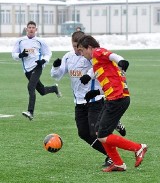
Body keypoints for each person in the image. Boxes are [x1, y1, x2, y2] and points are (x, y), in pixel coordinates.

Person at [51, 31, 126, 167]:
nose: (77, 50)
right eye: (74, 46)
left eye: (79, 47)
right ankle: (114, 127)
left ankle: (111, 156)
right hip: (79, 102)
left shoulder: (90, 56)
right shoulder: (68, 57)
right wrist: (56, 67)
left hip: (94, 100)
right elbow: (56, 76)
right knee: (83, 133)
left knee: (96, 131)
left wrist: (90, 76)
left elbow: (101, 67)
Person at [77, 35, 148, 172]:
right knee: (100, 132)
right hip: (113, 98)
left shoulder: (98, 52)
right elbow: (102, 72)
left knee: (102, 135)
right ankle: (118, 163)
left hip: (118, 99)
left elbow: (112, 56)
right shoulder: (96, 60)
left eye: (82, 50)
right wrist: (91, 80)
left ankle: (138, 147)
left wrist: (122, 61)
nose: (81, 54)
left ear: (89, 47)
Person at [12, 21, 61, 121]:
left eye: (33, 27)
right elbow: (14, 54)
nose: (31, 29)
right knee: (42, 91)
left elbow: (48, 53)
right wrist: (20, 55)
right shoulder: (20, 41)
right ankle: (54, 88)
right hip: (27, 70)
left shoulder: (40, 41)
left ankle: (30, 112)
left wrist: (43, 60)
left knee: (30, 86)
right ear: (26, 29)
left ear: (36, 30)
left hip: (37, 67)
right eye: (29, 27)